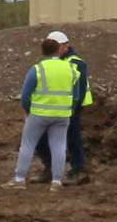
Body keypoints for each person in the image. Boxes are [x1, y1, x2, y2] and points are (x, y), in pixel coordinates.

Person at [4, 38, 78, 190]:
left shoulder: (38, 69)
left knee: (28, 145)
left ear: (43, 51)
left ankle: (19, 179)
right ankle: (56, 182)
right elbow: (76, 95)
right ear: (59, 49)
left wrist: (28, 110)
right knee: (59, 146)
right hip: (62, 114)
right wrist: (68, 109)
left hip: (38, 114)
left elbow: (25, 95)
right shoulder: (71, 68)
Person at [32, 31, 91, 183]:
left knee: (72, 137)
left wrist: (72, 109)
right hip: (53, 106)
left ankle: (79, 170)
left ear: (65, 46)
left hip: (71, 108)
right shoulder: (54, 60)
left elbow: (80, 89)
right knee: (41, 137)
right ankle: (51, 168)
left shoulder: (76, 62)